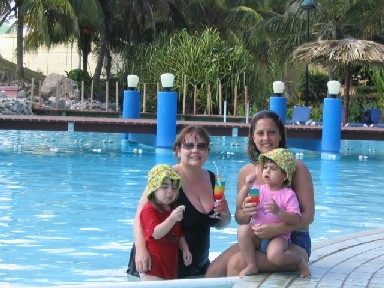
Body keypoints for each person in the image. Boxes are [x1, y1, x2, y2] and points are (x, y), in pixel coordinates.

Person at [205, 110, 314, 277]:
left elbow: (309, 216)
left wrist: (277, 229)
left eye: (271, 132)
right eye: (260, 133)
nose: (266, 138)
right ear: (253, 137)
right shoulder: (247, 172)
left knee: (236, 263)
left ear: (280, 136)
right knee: (212, 273)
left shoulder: (296, 168)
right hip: (257, 236)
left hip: (291, 240)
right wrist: (245, 212)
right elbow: (240, 218)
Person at [127, 125, 231, 279]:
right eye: (189, 145)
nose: (195, 150)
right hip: (158, 265)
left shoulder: (213, 180)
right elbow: (140, 216)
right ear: (178, 150)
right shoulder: (165, 178)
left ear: (207, 151)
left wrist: (225, 213)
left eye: (201, 146)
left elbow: (221, 224)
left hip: (198, 265)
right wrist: (141, 250)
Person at [237, 148, 310, 278]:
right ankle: (251, 265)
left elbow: (295, 219)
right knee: (242, 230)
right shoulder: (259, 189)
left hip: (279, 236)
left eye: (273, 168)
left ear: (285, 175)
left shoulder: (288, 195)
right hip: (258, 234)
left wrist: (279, 212)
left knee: (275, 256)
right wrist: (246, 187)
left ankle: (299, 261)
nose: (267, 171)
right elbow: (239, 203)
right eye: (265, 167)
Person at [139, 164, 192, 280]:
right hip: (152, 268)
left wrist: (185, 248)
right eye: (164, 187)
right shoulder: (149, 209)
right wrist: (172, 219)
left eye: (174, 188)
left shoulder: (173, 209)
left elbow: (178, 233)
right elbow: (155, 233)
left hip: (169, 266)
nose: (170, 192)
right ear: (154, 188)